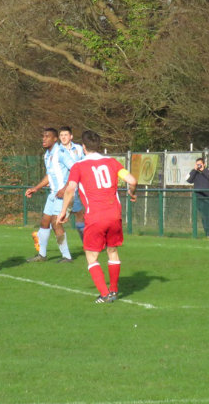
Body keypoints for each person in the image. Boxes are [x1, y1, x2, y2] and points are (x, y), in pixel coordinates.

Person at [57, 130, 137, 303]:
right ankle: (114, 290)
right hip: (114, 215)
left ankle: (104, 294)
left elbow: (70, 189)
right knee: (112, 251)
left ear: (83, 147)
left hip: (95, 216)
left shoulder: (79, 166)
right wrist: (132, 192)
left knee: (91, 255)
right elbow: (132, 181)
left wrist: (63, 211)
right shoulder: (112, 162)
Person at [25, 127, 76, 263]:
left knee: (56, 222)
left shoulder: (61, 152)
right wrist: (36, 188)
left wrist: (65, 188)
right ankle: (42, 255)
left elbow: (75, 170)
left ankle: (67, 256)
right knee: (44, 222)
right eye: (43, 136)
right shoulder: (47, 155)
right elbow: (49, 175)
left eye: (47, 136)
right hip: (54, 193)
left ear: (55, 139)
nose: (44, 139)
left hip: (63, 194)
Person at [58, 126, 86, 240]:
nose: (63, 137)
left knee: (79, 214)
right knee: (57, 217)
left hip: (75, 187)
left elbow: (84, 162)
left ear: (71, 136)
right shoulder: (58, 150)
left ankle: (86, 241)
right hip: (61, 188)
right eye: (61, 135)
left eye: (66, 135)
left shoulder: (78, 148)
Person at [186, 157, 209, 240]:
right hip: (200, 199)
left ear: (204, 164)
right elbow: (188, 180)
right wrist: (194, 170)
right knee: (204, 218)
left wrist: (203, 170)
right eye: (197, 164)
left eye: (200, 164)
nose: (199, 166)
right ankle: (207, 234)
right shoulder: (195, 173)